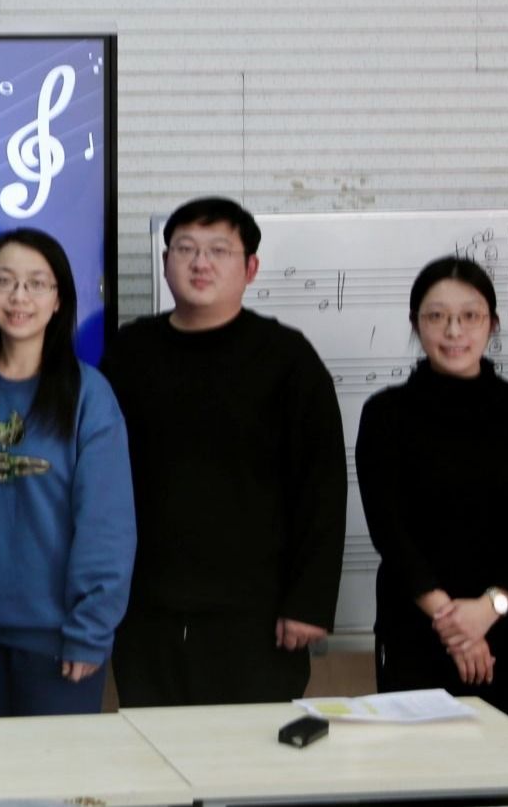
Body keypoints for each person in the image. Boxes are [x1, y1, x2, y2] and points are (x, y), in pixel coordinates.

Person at [100, 196, 346, 705]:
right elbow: (97, 478)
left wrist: (309, 602)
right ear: (165, 261)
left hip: (257, 616)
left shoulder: (287, 359)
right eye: (185, 248)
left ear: (250, 268)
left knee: (249, 751)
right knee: (155, 745)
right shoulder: (129, 352)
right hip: (146, 613)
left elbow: (322, 487)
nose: (200, 263)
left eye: (218, 250)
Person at [355, 256, 508, 727]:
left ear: (492, 324)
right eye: (437, 316)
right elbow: (389, 530)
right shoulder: (386, 415)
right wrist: (453, 624)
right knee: (416, 768)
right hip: (414, 631)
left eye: (470, 316)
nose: (453, 331)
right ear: (415, 324)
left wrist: (488, 610)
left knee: (506, 768)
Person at [0, 228, 135, 717]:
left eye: (36, 283)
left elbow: (107, 526)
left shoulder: (88, 395)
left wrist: (90, 630)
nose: (19, 297)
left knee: (53, 769)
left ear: (59, 300)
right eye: (5, 281)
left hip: (58, 642)